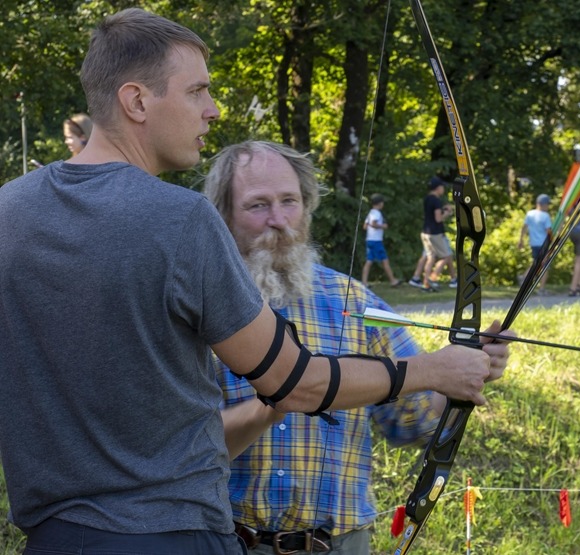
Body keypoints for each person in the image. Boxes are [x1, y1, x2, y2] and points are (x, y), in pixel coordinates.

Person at [0, 9, 508, 555]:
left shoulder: (10, 210)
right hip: (173, 537)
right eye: (196, 91)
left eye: (289, 201)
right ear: (137, 101)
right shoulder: (182, 219)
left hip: (52, 538)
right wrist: (436, 368)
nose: (212, 111)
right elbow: (298, 385)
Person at [203, 140, 515, 555]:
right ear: (222, 216)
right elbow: (185, 450)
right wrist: (287, 393)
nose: (279, 220)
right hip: (225, 541)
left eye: (290, 201)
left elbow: (414, 422)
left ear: (308, 206)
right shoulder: (199, 303)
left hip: (338, 544)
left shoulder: (353, 300)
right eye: (257, 205)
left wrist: (465, 369)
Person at [419, 176, 457, 291]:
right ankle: (433, 278)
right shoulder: (436, 200)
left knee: (430, 257)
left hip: (425, 232)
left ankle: (426, 284)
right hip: (435, 233)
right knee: (446, 256)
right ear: (437, 188)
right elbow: (438, 219)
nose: (443, 189)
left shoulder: (428, 198)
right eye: (442, 187)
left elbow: (431, 214)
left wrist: (442, 209)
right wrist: (448, 212)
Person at [361, 193, 401, 288]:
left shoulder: (370, 213)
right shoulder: (377, 213)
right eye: (382, 202)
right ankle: (393, 281)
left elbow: (365, 226)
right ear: (379, 203)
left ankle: (364, 282)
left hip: (369, 240)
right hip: (376, 241)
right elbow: (373, 224)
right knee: (384, 260)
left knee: (369, 261)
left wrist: (372, 225)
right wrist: (383, 226)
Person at [518, 193, 552, 294]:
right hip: (543, 244)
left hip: (533, 243)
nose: (548, 207)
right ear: (543, 204)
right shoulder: (545, 216)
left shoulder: (530, 214)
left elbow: (524, 227)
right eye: (547, 204)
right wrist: (553, 241)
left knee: (537, 263)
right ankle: (541, 289)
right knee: (545, 265)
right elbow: (548, 231)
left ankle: (524, 277)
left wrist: (521, 240)